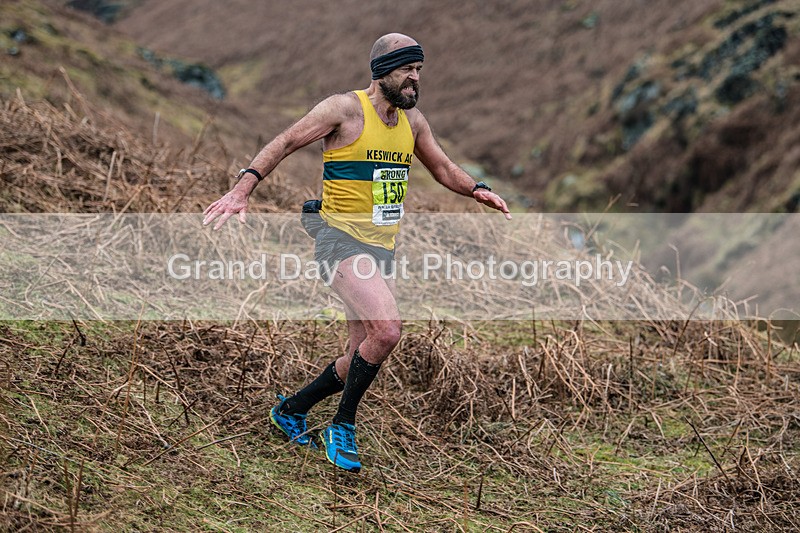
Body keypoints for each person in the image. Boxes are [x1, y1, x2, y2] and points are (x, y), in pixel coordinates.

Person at [202, 33, 511, 473]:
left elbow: (442, 167)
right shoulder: (344, 110)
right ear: (384, 69)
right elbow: (286, 142)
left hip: (379, 247)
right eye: (408, 69)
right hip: (337, 239)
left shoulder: (413, 122)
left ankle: (290, 410)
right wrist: (241, 188)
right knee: (387, 332)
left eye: (420, 71)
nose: (415, 79)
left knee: (359, 355)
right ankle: (342, 426)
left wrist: (478, 189)